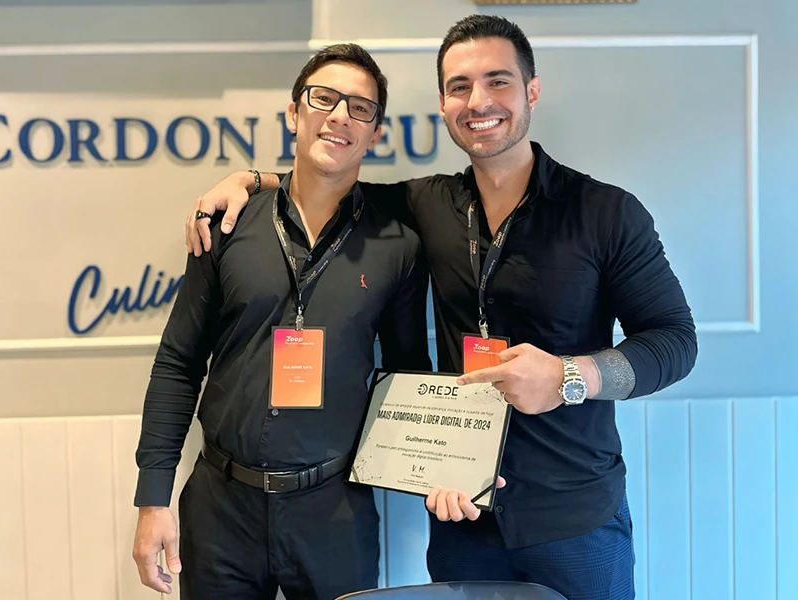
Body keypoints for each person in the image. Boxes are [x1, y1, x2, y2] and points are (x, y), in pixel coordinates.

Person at [182, 15, 698, 600]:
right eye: (460, 86)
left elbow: (675, 342)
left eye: (498, 81)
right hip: (462, 516)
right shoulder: (425, 204)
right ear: (443, 104)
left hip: (575, 519)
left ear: (531, 91)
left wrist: (569, 377)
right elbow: (326, 182)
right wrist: (251, 180)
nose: (479, 102)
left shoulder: (606, 212)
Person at [131, 43, 432, 600]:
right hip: (221, 510)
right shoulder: (226, 225)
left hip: (334, 511)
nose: (340, 115)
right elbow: (178, 362)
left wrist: (441, 468)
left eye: (360, 108)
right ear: (294, 113)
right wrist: (153, 499)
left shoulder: (398, 245)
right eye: (323, 99)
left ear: (375, 134)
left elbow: (406, 373)